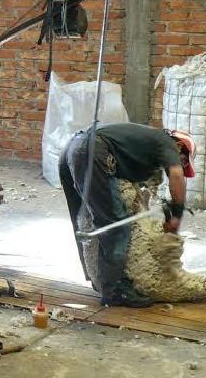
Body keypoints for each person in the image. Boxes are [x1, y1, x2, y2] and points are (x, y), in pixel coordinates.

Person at [59, 122, 196, 308]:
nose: (179, 164)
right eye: (183, 161)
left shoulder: (144, 143)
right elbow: (177, 176)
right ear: (179, 146)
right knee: (116, 225)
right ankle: (115, 290)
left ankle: (98, 279)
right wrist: (176, 215)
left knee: (85, 221)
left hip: (73, 148)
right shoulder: (168, 142)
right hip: (91, 151)